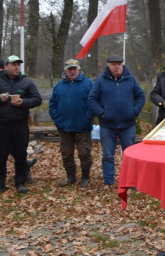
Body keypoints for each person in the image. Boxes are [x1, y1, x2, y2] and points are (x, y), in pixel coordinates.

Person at [87, 55, 145, 186]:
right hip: (107, 125)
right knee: (107, 154)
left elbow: (140, 96)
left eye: (119, 64)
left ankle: (131, 181)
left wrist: (134, 111)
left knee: (130, 154)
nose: (116, 66)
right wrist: (102, 113)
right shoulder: (101, 80)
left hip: (127, 124)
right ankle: (108, 180)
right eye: (113, 64)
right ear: (108, 65)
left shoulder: (130, 79)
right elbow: (92, 99)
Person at [0, 55, 42, 194]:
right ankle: (1, 184)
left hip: (20, 124)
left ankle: (20, 183)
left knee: (20, 155)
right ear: (6, 67)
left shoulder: (26, 82)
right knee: (1, 155)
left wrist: (23, 102)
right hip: (2, 124)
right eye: (13, 64)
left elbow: (37, 99)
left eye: (18, 64)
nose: (17, 67)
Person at [49, 58, 94, 188]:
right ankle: (71, 177)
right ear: (65, 70)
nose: (72, 71)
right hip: (64, 127)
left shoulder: (88, 84)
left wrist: (88, 117)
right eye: (70, 69)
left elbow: (94, 102)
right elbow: (52, 105)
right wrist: (57, 120)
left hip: (83, 127)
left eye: (74, 69)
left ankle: (85, 177)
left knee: (84, 153)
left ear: (79, 69)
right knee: (66, 154)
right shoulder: (59, 86)